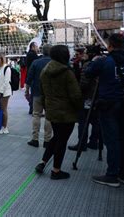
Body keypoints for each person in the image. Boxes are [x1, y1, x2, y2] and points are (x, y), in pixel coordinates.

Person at [86, 34, 124, 187]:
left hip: (109, 104)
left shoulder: (104, 61)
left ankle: (112, 174)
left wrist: (93, 62)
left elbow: (89, 73)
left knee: (112, 139)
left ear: (110, 46)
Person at [34, 45, 82, 180]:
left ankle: (43, 162)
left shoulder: (45, 71)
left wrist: (47, 106)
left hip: (52, 110)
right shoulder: (67, 72)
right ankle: (56, 170)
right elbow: (75, 95)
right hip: (67, 112)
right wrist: (79, 109)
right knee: (62, 141)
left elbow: (42, 93)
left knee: (56, 138)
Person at [68, 45, 101, 152]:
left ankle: (82, 144)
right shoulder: (104, 63)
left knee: (83, 121)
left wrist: (77, 93)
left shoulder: (88, 65)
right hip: (98, 97)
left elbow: (84, 84)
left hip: (87, 97)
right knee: (95, 120)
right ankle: (94, 142)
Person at [25, 44, 52, 147]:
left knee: (36, 115)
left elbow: (29, 78)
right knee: (49, 116)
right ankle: (47, 140)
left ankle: (35, 139)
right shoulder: (54, 63)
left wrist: (27, 91)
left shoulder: (36, 62)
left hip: (37, 92)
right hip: (50, 93)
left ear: (42, 51)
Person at [0, 53, 11, 134]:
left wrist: (0, 93)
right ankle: (2, 126)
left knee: (4, 109)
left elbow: (6, 82)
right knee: (1, 109)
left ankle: (5, 127)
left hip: (5, 92)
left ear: (2, 59)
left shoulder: (6, 68)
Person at [25, 42, 39, 114]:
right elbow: (36, 61)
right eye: (37, 47)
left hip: (30, 76)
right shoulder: (32, 54)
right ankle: (32, 108)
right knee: (33, 93)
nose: (38, 48)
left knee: (32, 93)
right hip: (32, 76)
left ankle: (32, 108)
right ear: (33, 47)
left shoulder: (30, 54)